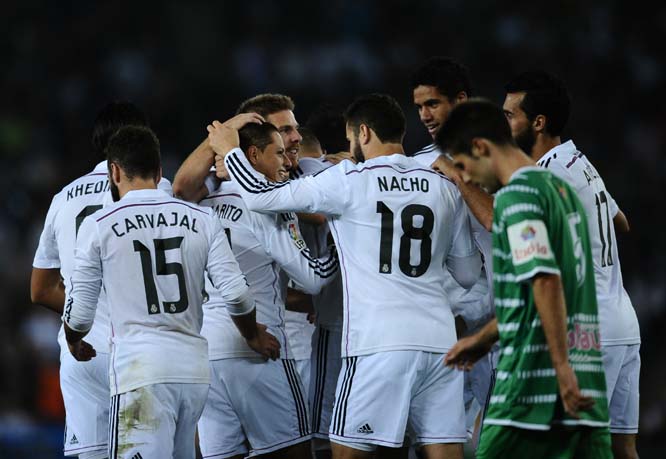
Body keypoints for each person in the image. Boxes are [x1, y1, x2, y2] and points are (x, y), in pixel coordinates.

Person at [212, 93, 482, 459]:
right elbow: (466, 275)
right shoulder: (443, 184)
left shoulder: (350, 180)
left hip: (377, 343)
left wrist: (230, 151)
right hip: (439, 341)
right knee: (444, 451)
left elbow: (262, 197)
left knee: (345, 452)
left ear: (363, 133)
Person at [63, 125, 274, 459]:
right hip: (192, 373)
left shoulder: (100, 224)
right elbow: (236, 294)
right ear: (159, 171)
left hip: (140, 374)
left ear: (114, 171)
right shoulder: (202, 218)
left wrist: (74, 339)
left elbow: (79, 313)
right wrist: (251, 335)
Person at [438, 99, 611, 459]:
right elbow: (543, 290)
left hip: (533, 384)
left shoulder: (516, 199)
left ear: (480, 147)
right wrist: (485, 338)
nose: (465, 178)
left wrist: (560, 369)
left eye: (463, 166)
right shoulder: (559, 189)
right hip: (586, 374)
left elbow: (544, 280)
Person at [502, 71, 640, 459]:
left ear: (538, 122)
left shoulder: (545, 176)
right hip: (623, 325)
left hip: (589, 333)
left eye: (511, 116)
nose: (505, 125)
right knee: (623, 449)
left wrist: (465, 186)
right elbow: (622, 221)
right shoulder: (578, 161)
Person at [30, 102, 170, 459]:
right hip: (138, 349)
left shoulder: (63, 198)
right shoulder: (158, 190)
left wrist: (87, 307)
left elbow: (41, 289)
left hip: (82, 352)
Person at [194, 117, 338, 459]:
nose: (288, 162)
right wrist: (337, 239)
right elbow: (312, 278)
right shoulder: (271, 205)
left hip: (207, 350)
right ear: (253, 156)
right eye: (278, 154)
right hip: (259, 346)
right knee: (296, 451)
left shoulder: (204, 202)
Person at [410, 57, 496, 444]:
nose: (425, 115)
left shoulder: (497, 161)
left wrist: (460, 179)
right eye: (419, 107)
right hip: (440, 330)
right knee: (439, 441)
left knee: (494, 442)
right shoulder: (413, 166)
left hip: (498, 327)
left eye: (433, 104)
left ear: (460, 100)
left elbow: (500, 223)